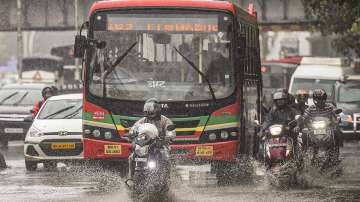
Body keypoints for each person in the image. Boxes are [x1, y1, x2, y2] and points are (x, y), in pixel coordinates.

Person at [127, 98, 175, 180]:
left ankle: (167, 178)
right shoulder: (143, 120)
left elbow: (171, 131)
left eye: (152, 108)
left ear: (159, 109)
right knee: (132, 156)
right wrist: (131, 133)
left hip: (161, 144)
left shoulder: (165, 121)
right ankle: (130, 177)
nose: (149, 110)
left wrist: (169, 136)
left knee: (166, 157)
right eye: (147, 108)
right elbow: (135, 127)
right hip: (145, 144)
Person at [302, 89, 341, 162]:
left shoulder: (330, 106)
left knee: (336, 131)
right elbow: (305, 116)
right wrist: (302, 120)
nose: (320, 101)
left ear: (325, 99)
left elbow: (336, 113)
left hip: (328, 128)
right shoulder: (310, 108)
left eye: (322, 99)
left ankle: (336, 153)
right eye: (318, 99)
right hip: (313, 129)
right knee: (304, 133)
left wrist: (337, 118)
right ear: (314, 99)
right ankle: (304, 153)